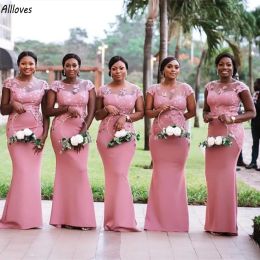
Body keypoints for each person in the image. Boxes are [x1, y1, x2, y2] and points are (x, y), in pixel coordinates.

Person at [203, 52, 255, 236]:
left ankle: (226, 225)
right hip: (213, 133)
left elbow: (251, 112)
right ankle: (212, 223)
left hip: (231, 135)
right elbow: (205, 113)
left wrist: (232, 118)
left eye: (228, 65)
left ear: (233, 67)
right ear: (216, 67)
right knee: (212, 176)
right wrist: (207, 116)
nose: (225, 68)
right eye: (221, 65)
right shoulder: (209, 86)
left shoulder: (240, 87)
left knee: (225, 176)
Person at [144, 56, 196, 232]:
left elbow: (192, 111)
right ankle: (156, 221)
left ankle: (177, 222)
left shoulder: (187, 89)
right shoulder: (153, 89)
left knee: (177, 175)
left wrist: (178, 122)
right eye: (169, 67)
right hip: (159, 138)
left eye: (176, 67)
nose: (173, 70)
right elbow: (148, 112)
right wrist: (159, 112)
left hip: (179, 139)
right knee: (160, 175)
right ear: (163, 69)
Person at [46, 53, 96, 230]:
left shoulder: (88, 85)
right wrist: (66, 108)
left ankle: (82, 218)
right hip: (60, 130)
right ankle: (63, 217)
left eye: (74, 65)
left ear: (79, 67)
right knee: (65, 172)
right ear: (63, 67)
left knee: (81, 170)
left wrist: (83, 132)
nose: (71, 68)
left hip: (80, 130)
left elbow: (91, 111)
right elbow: (48, 110)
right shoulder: (56, 86)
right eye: (68, 65)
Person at [0, 51, 49, 229]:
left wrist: (43, 136)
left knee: (32, 174)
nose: (27, 67)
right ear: (18, 64)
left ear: (36, 65)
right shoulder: (9, 83)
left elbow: (47, 113)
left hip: (36, 131)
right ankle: (14, 218)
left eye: (31, 63)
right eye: (23, 63)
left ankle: (31, 219)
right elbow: (3, 110)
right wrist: (12, 104)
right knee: (21, 172)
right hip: (15, 130)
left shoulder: (43, 85)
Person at [95, 55, 144, 231]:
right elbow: (96, 115)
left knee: (120, 174)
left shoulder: (135, 89)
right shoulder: (103, 90)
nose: (118, 71)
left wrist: (126, 117)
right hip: (105, 136)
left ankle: (124, 220)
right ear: (110, 71)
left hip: (126, 136)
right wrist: (106, 109)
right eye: (114, 68)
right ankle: (111, 220)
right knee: (112, 176)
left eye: (121, 68)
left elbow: (141, 112)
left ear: (126, 69)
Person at [246, 78, 260, 171]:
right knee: (255, 143)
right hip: (255, 123)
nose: (254, 85)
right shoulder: (254, 94)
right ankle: (253, 162)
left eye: (256, 83)